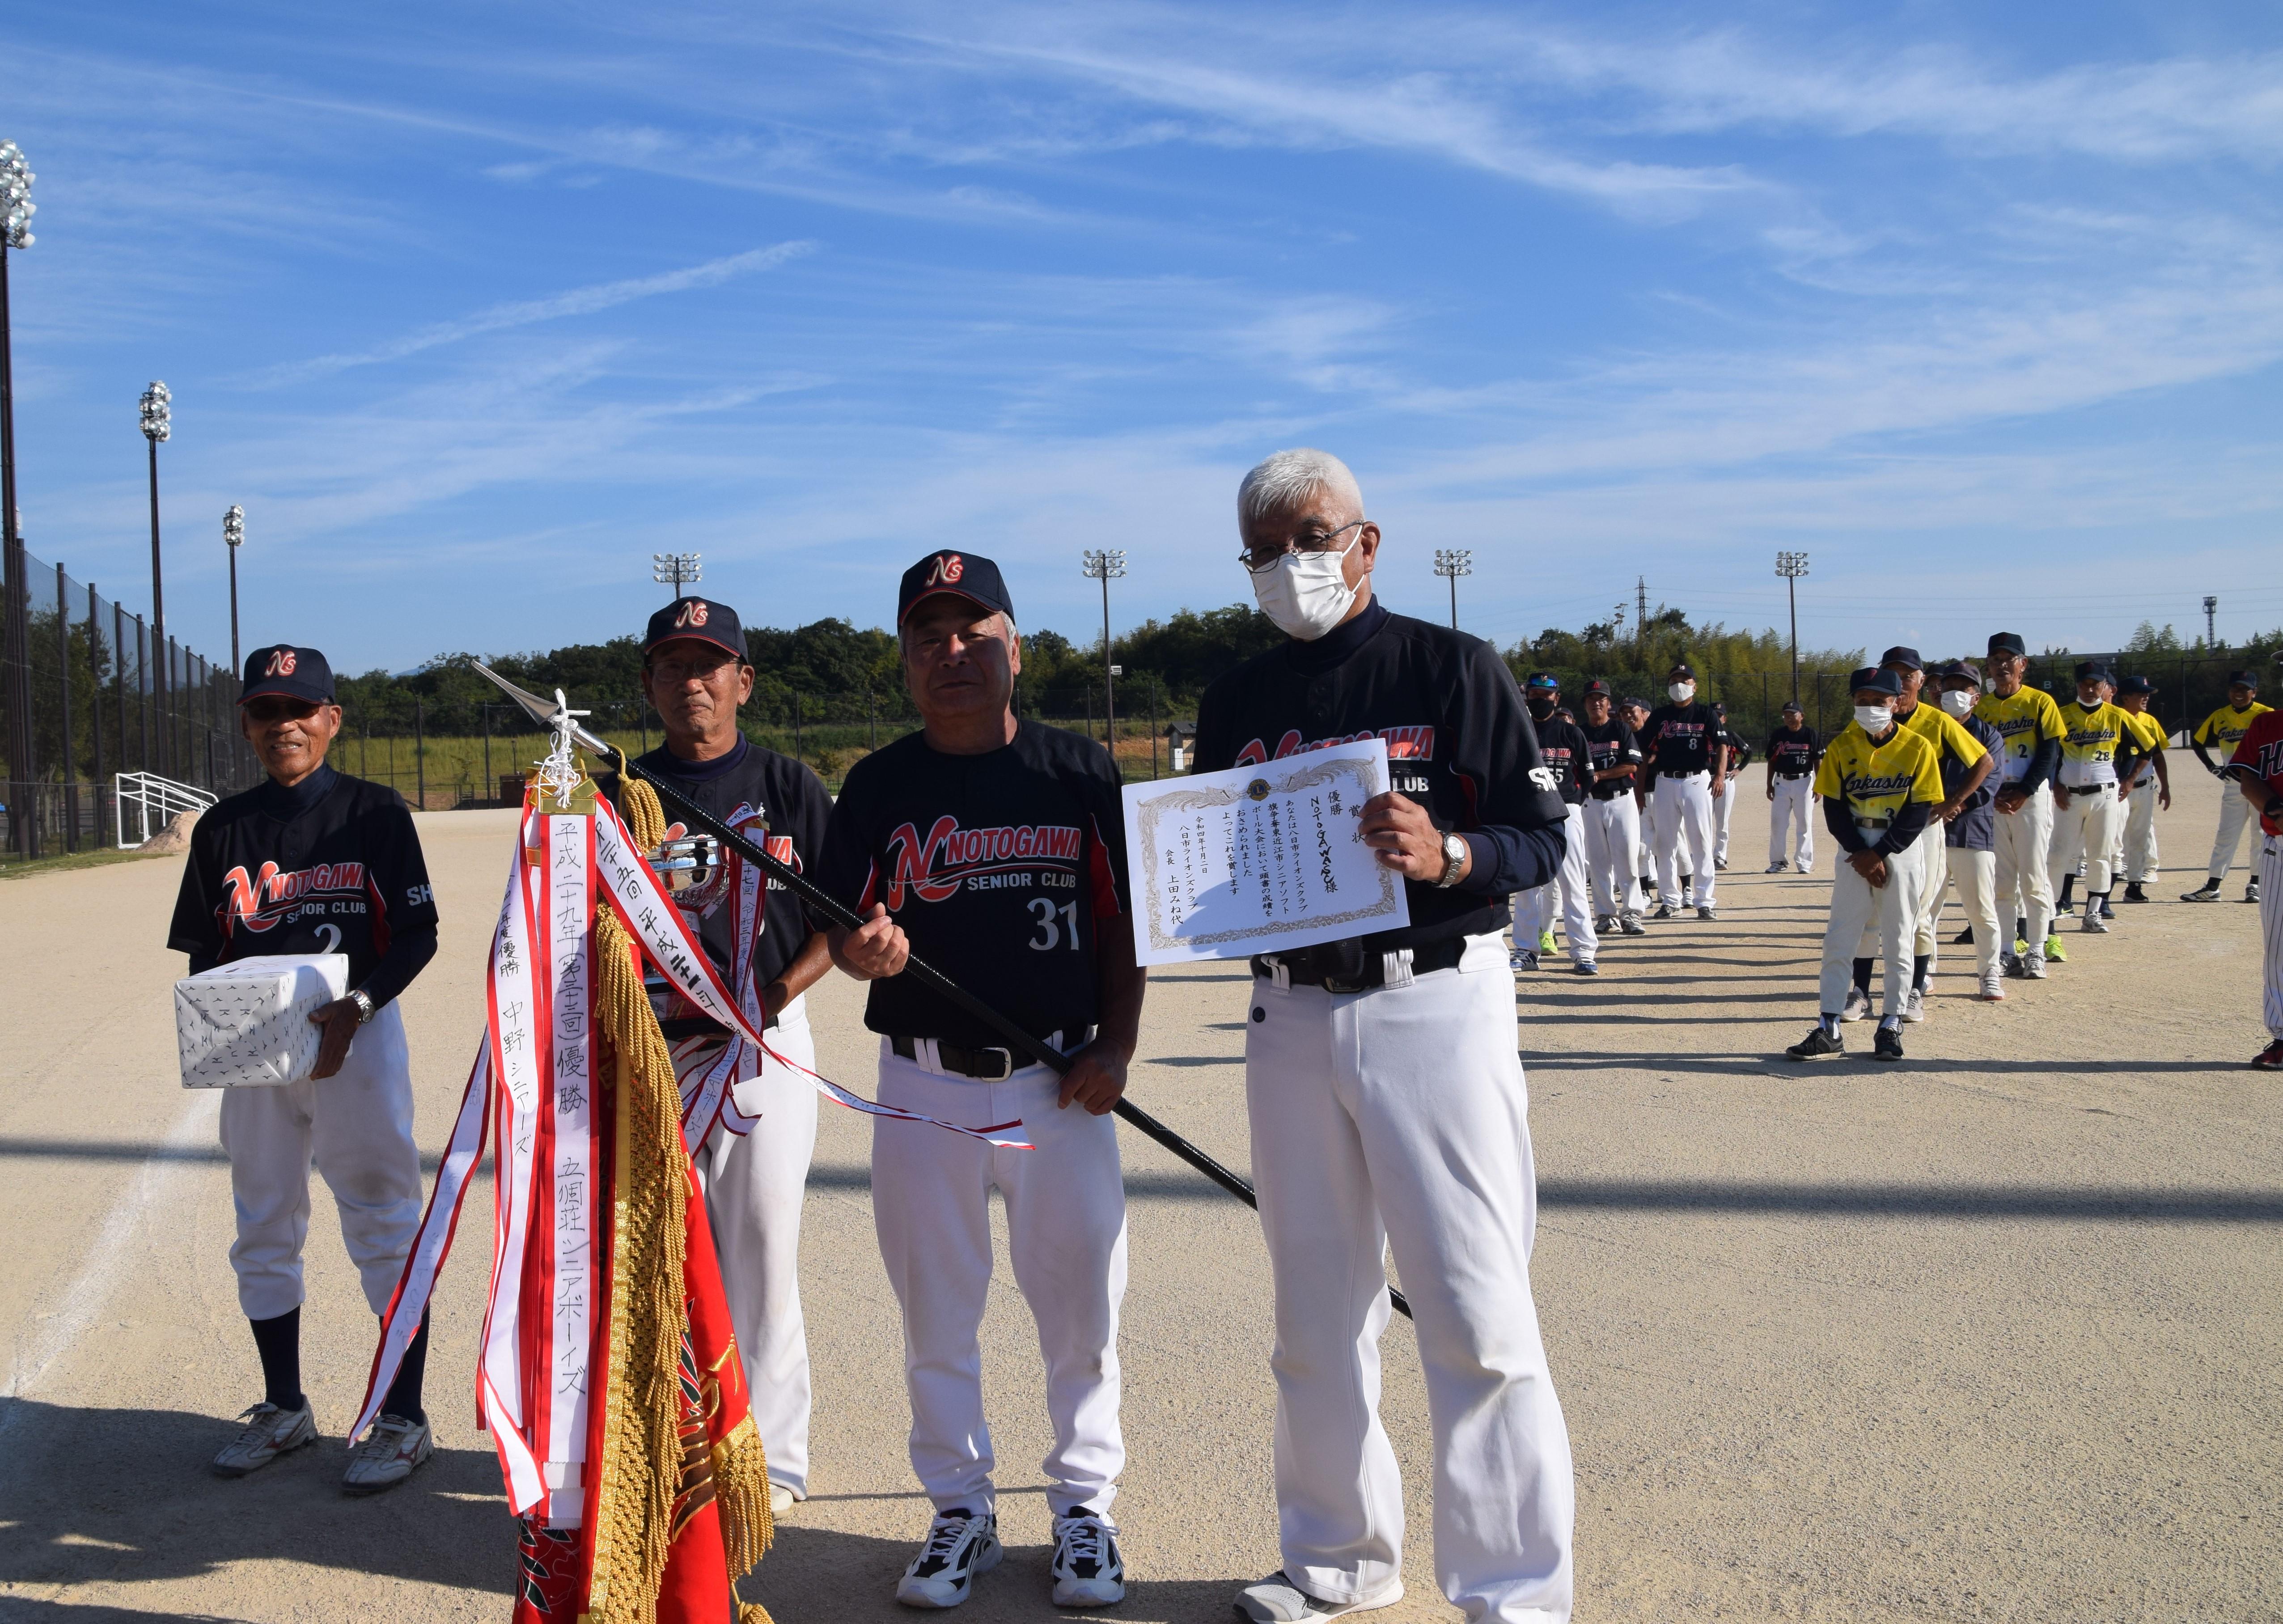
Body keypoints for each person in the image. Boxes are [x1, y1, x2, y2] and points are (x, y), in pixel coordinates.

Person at [1192, 449, 1575, 1624]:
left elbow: (1539, 837)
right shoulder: (1235, 699)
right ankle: (1336, 1559)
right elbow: (1210, 853)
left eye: (1310, 537)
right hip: (1289, 1012)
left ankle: (1513, 1593)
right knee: (1315, 1315)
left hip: (1432, 998)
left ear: (1365, 542)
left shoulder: (1450, 666)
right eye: (1263, 549)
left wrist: (1450, 851)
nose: (1288, 564)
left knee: (1473, 1308)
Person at [817, 551, 1141, 1610]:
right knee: (936, 1312)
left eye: (972, 632)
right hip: (922, 1085)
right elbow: (841, 924)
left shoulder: (1078, 772)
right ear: (906, 659)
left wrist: (1117, 1044)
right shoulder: (877, 784)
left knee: (1081, 1308)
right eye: (929, 636)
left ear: (1016, 648)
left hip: (1059, 1081)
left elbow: (1122, 926)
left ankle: (1084, 1507)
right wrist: (861, 951)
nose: (951, 651)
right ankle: (960, 1508)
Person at [166, 644, 440, 1492]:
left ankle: (403, 1417)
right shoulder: (222, 827)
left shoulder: (375, 812)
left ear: (331, 719)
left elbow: (419, 934)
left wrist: (360, 1005)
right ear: (246, 724)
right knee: (263, 1219)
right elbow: (205, 952)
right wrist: (218, 1026)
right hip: (257, 1051)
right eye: (265, 710)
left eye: (299, 708)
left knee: (384, 1218)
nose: (282, 724)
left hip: (357, 1040)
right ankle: (284, 1407)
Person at [613, 595, 834, 1519]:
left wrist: (769, 999)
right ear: (649, 684)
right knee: (657, 1251)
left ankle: (771, 1457)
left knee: (761, 1244)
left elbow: (836, 921)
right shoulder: (620, 793)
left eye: (709, 665)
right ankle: (673, 1443)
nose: (691, 681)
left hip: (762, 1043)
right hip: (650, 1045)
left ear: (743, 680)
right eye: (672, 666)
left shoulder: (787, 784)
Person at [1785, 668, 1943, 1064]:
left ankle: (1890, 1022)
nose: (1870, 706)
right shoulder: (1841, 746)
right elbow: (1834, 808)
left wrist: (1880, 853)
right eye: (1862, 700)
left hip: (1899, 848)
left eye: (1878, 700)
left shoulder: (1918, 746)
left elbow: (1919, 809)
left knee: (1900, 936)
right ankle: (1829, 1027)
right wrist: (1860, 852)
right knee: (1840, 937)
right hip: (1853, 849)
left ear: (1896, 702)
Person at [1850, 646, 1991, 1023]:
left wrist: (1953, 801)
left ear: (1921, 681)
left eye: (1907, 676)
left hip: (1922, 829)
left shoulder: (1936, 720)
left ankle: (1914, 991)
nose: (1900, 682)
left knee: (1918, 913)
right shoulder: (1866, 720)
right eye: (1892, 674)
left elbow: (1984, 761)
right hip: (1875, 826)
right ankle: (1860, 992)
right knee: (1868, 913)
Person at [1974, 633, 2066, 979]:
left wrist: (2025, 790)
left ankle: (2037, 948)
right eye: (1994, 660)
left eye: (2008, 659)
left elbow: (2049, 753)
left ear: (2022, 664)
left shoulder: (2040, 701)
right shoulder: (1982, 708)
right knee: (2001, 882)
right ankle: (2007, 951)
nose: (2001, 666)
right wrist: (1992, 793)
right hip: (1996, 799)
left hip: (2030, 798)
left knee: (2033, 877)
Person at [1920, 662, 2008, 1001]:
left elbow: (1990, 782)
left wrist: (1955, 805)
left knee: (1981, 909)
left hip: (1973, 831)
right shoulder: (1927, 729)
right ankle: (1924, 972)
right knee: (1926, 908)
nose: (1952, 693)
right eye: (1948, 687)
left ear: (1976, 697)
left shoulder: (1989, 736)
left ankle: (1989, 973)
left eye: (1963, 688)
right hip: (1929, 830)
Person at [2048, 663, 2146, 937]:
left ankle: (2093, 912)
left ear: (2106, 687)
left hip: (2105, 795)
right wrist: (2055, 785)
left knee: (2100, 854)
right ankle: (2050, 910)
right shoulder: (2062, 714)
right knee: (2058, 855)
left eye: (2096, 685)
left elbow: (2147, 749)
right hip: (2069, 796)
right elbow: (2049, 754)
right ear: (2077, 685)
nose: (2090, 689)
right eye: (2084, 684)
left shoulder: (2118, 716)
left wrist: (2129, 780)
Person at [1514, 674, 1599, 974]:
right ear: (1527, 697)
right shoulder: (1519, 731)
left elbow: (1588, 777)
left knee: (1572, 882)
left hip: (1566, 810)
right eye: (1535, 694)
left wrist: (1571, 803)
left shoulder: (1571, 733)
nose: (1540, 700)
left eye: (1546, 695)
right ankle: (1526, 949)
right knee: (1527, 884)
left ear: (1557, 698)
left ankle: (1583, 951)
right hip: (1529, 811)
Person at [2219, 683, 2283, 1068]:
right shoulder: (2266, 725)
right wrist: (2275, 810)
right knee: (2279, 946)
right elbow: (2247, 779)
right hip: (2279, 845)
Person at [1639, 662, 1724, 921]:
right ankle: (1670, 899)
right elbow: (1644, 753)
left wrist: (1720, 775)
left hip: (1697, 780)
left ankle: (1704, 901)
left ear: (1694, 687)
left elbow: (1721, 745)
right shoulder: (1659, 716)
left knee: (1701, 841)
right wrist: (1639, 790)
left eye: (1684, 681)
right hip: (1665, 781)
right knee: (1665, 844)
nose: (1678, 685)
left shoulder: (1705, 714)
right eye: (1673, 681)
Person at [2182, 670, 2272, 904]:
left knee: (2260, 836)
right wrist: (2213, 767)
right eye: (2235, 689)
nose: (2239, 694)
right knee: (2226, 835)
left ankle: (2256, 884)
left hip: (2262, 785)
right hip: (2233, 785)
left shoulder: (2266, 714)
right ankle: (2213, 887)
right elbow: (2197, 741)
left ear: (2254, 692)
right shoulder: (2220, 715)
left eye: (2244, 689)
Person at [1578, 680, 1647, 935]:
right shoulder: (1579, 733)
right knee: (1598, 863)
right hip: (1590, 803)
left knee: (1627, 859)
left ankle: (1631, 913)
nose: (1596, 703)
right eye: (1591, 698)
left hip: (1621, 800)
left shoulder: (1620, 728)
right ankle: (1606, 915)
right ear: (1585, 704)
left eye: (1601, 699)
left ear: (1609, 704)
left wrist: (1599, 775)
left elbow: (1632, 765)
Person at [2113, 674, 2170, 905]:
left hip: (2145, 788)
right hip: (2118, 789)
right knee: (2114, 839)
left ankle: (2134, 885)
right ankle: (2103, 891)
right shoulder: (2113, 718)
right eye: (2141, 694)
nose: (2146, 698)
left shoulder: (2150, 721)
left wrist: (2166, 787)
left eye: (2147, 694)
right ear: (2125, 697)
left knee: (2139, 838)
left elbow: (2158, 756)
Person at [1764, 700, 1820, 873]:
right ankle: (1778, 861)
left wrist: (1820, 785)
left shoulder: (1810, 734)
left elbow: (1817, 760)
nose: (1788, 718)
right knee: (1778, 824)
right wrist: (1769, 785)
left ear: (1802, 716)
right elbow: (1772, 761)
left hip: (1804, 782)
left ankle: (1804, 862)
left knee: (1804, 822)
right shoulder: (1779, 734)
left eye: (1792, 714)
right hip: (1781, 782)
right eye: (1786, 715)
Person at [1620, 695, 1664, 904]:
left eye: (1634, 711)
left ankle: (1669, 890)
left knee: (1667, 845)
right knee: (1641, 847)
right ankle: (1645, 892)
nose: (1628, 716)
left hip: (1660, 791)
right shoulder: (1624, 736)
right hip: (1636, 795)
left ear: (1645, 714)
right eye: (1624, 712)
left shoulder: (1655, 735)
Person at [1709, 701, 1751, 869]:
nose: (1717, 718)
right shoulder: (1702, 735)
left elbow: (1749, 752)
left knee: (1722, 821)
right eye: (1714, 715)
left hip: (1726, 780)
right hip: (1704, 780)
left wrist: (1739, 769)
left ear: (1725, 719)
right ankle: (1701, 854)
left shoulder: (1730, 736)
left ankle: (1720, 856)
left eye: (1720, 716)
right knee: (1702, 820)